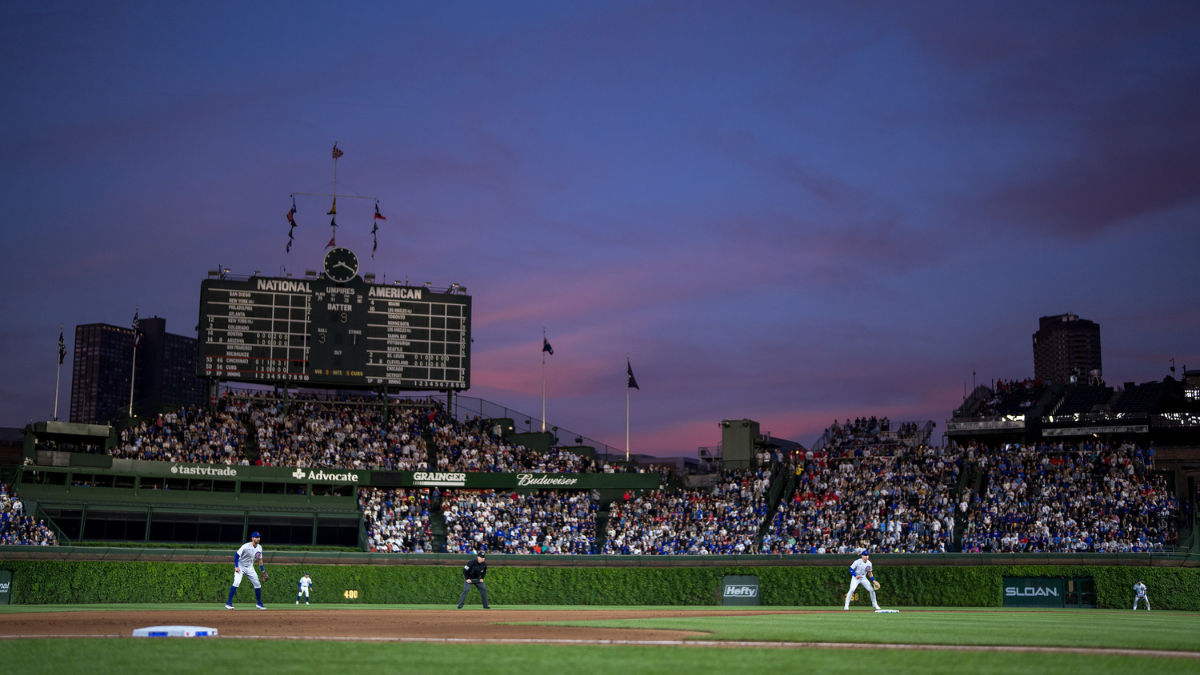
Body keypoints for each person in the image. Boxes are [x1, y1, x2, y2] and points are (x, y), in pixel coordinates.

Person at [227, 532, 267, 610]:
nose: (258, 538)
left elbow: (260, 559)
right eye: (256, 537)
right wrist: (237, 566)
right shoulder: (246, 546)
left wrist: (263, 570)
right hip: (241, 566)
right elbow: (236, 555)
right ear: (252, 538)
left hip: (250, 567)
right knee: (236, 582)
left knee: (257, 584)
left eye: (259, 537)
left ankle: (259, 603)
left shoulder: (259, 547)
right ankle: (228, 603)